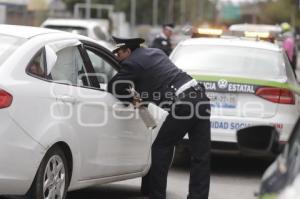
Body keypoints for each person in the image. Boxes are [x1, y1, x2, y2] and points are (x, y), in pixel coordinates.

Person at [108, 36, 211, 199]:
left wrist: (131, 99)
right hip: (200, 98)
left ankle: (157, 195)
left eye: (118, 53)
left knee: (161, 148)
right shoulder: (156, 52)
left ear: (128, 50)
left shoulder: (132, 63)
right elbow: (156, 77)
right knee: (201, 156)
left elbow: (113, 85)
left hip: (183, 104)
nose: (116, 57)